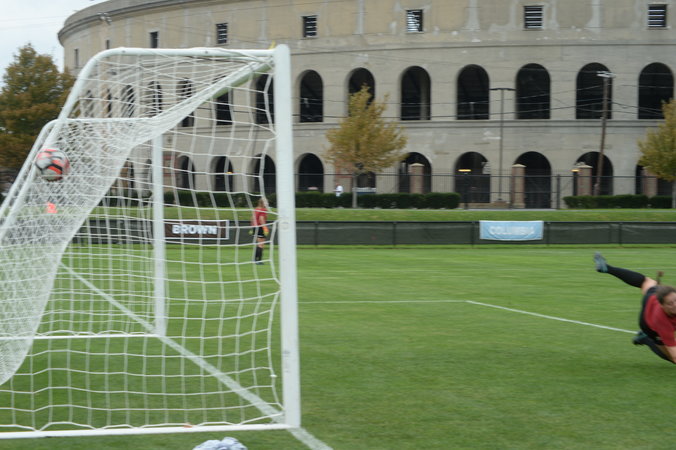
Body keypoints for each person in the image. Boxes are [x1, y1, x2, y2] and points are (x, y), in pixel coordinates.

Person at [594, 252, 676, 363]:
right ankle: (645, 338)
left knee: (646, 282)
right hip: (648, 322)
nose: (675, 305)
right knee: (670, 357)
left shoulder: (663, 296)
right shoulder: (662, 321)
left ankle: (607, 268)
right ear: (662, 305)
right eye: (670, 304)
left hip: (653, 295)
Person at [251, 198, 269, 264]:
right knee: (261, 244)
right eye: (266, 202)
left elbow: (252, 218)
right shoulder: (263, 210)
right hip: (260, 227)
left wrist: (252, 226)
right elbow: (261, 219)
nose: (267, 203)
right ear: (263, 203)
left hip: (255, 227)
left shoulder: (256, 209)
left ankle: (255, 259)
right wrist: (265, 228)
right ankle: (259, 260)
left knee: (259, 244)